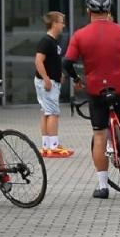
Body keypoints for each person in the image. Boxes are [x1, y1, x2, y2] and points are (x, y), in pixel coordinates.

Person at [65, 0, 120, 198]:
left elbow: (67, 62)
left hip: (96, 90)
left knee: (100, 136)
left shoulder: (80, 35)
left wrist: (76, 79)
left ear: (88, 11)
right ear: (109, 9)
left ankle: (103, 187)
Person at [35, 12, 72, 158]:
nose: (63, 25)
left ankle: (47, 144)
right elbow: (38, 61)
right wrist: (47, 79)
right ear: (54, 23)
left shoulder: (53, 41)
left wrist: (59, 74)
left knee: (46, 112)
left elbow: (53, 61)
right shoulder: (46, 41)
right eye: (61, 22)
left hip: (50, 80)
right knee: (53, 113)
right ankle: (53, 146)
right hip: (47, 83)